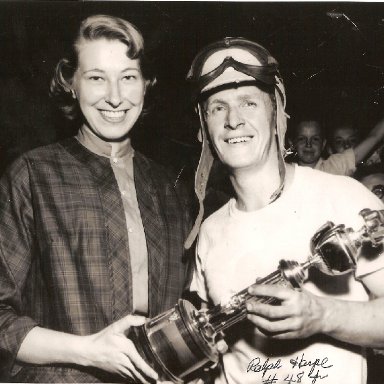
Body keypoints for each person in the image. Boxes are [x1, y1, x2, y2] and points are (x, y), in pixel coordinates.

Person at [0, 15, 192, 383]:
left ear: (146, 85)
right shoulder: (33, 174)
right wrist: (89, 351)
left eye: (128, 77)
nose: (115, 97)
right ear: (70, 83)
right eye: (96, 77)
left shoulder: (170, 189)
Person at [186, 37, 384, 384]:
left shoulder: (345, 196)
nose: (234, 120)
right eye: (218, 107)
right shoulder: (209, 231)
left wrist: (324, 316)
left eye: (249, 102)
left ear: (276, 111)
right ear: (205, 128)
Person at [288, 117, 384, 176]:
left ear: (323, 144)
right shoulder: (285, 171)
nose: (308, 144)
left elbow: (374, 137)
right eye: (302, 139)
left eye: (315, 139)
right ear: (292, 143)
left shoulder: (333, 167)